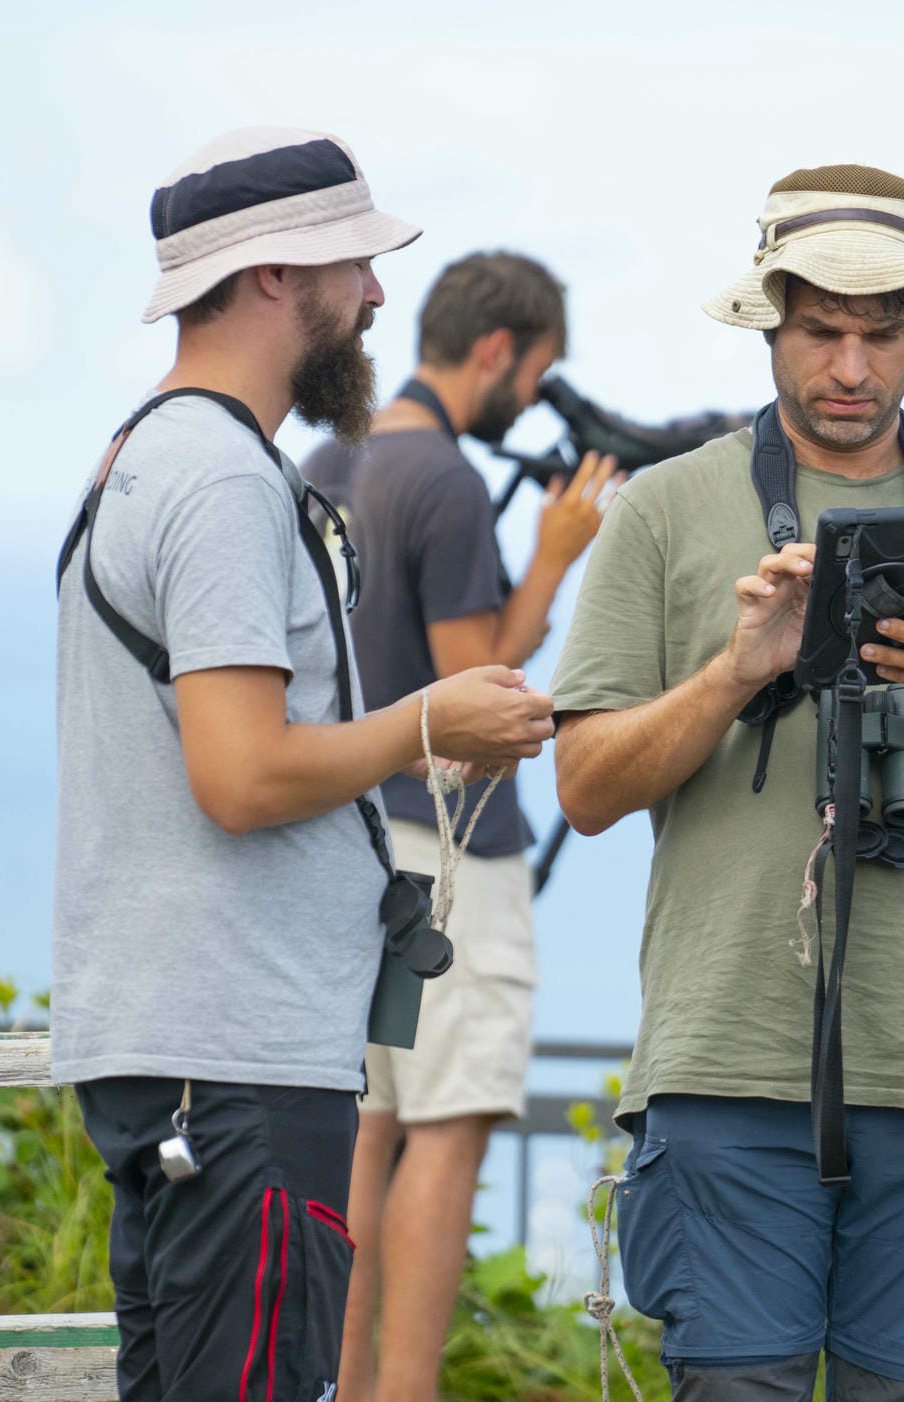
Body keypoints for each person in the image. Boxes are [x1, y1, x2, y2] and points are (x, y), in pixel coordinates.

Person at [549, 165, 904, 1400]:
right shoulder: (662, 510)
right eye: (819, 330)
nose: (851, 367)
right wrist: (735, 670)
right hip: (723, 1064)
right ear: (770, 320)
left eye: (883, 332)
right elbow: (584, 787)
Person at [50, 127, 555, 1402]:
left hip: (175, 1050)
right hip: (237, 1064)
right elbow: (241, 774)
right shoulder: (221, 477)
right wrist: (432, 720)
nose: (378, 297)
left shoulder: (141, 452)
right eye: (355, 265)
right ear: (276, 274)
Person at [313, 253, 620, 1402]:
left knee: (363, 1131)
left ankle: (334, 1385)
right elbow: (468, 695)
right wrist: (551, 558)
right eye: (537, 376)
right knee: (447, 1128)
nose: (531, 400)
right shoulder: (440, 481)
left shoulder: (325, 462)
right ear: (496, 351)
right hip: (446, 852)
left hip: (345, 838)